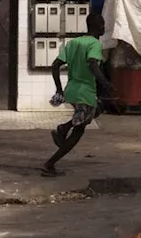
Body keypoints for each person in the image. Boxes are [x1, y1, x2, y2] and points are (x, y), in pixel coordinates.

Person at [43, 12, 113, 177]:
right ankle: (49, 164)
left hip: (72, 91)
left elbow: (55, 65)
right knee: (79, 131)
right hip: (85, 93)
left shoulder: (74, 42)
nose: (104, 27)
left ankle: (65, 127)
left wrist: (59, 90)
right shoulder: (95, 44)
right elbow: (93, 64)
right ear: (97, 27)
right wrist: (106, 83)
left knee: (99, 107)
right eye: (102, 25)